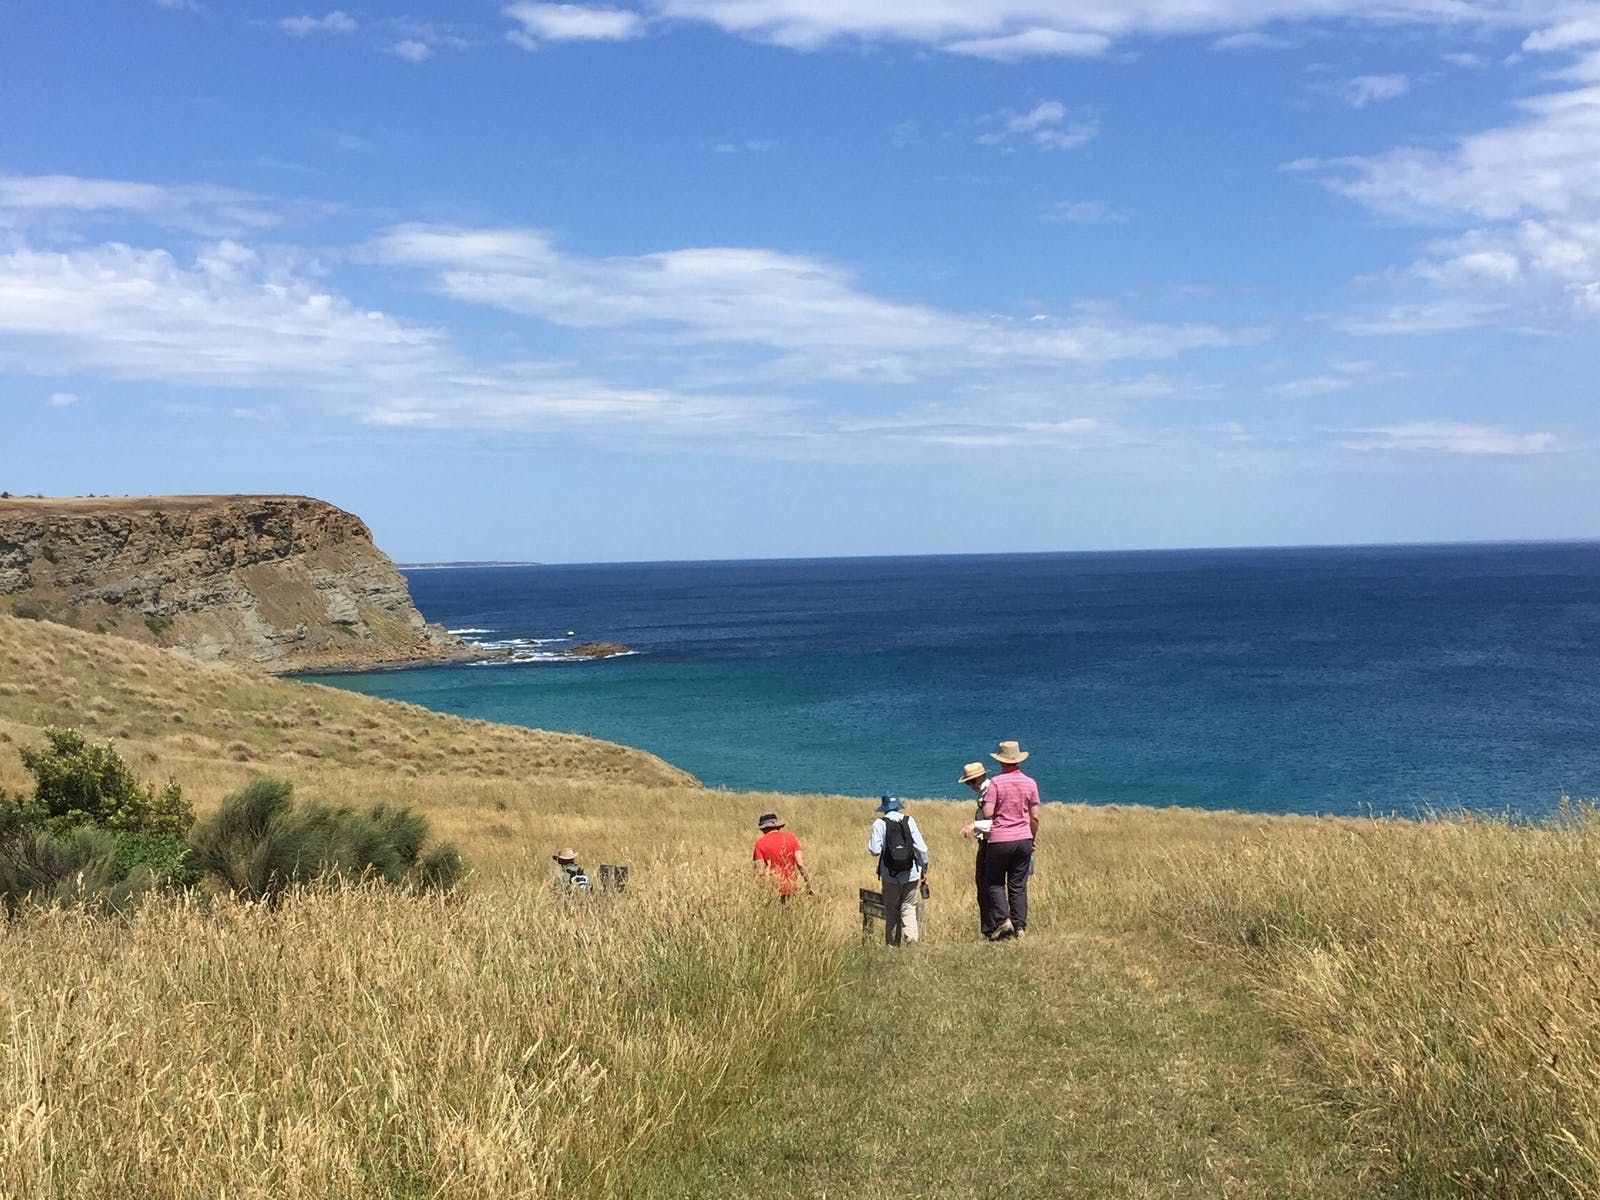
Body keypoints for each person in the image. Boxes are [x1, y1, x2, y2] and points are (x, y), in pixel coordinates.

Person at [979, 739, 1039, 941]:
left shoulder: (996, 782)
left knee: (994, 882)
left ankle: (1004, 920)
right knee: (1018, 884)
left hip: (1000, 838)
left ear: (1001, 761)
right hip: (1024, 838)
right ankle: (1020, 926)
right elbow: (1035, 816)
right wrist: (1032, 838)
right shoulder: (1030, 783)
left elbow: (987, 812)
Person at [867, 795, 929, 946]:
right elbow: (922, 848)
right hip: (911, 873)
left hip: (890, 875)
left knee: (892, 910)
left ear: (884, 808)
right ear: (898, 806)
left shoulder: (879, 823)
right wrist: (924, 868)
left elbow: (874, 850)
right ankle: (911, 939)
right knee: (909, 906)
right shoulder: (909, 821)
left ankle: (892, 946)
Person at [958, 761, 996, 937]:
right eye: (968, 782)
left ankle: (991, 928)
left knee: (986, 887)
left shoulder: (990, 793)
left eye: (971, 781)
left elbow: (996, 822)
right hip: (986, 843)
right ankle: (991, 927)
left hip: (991, 843)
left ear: (981, 777)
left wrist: (975, 825)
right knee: (985, 886)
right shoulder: (984, 793)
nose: (970, 786)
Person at [752, 811, 814, 902]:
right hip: (792, 887)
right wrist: (808, 885)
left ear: (763, 828)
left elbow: (760, 872)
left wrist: (761, 893)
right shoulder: (792, 838)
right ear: (778, 826)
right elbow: (800, 865)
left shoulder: (760, 844)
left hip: (772, 890)